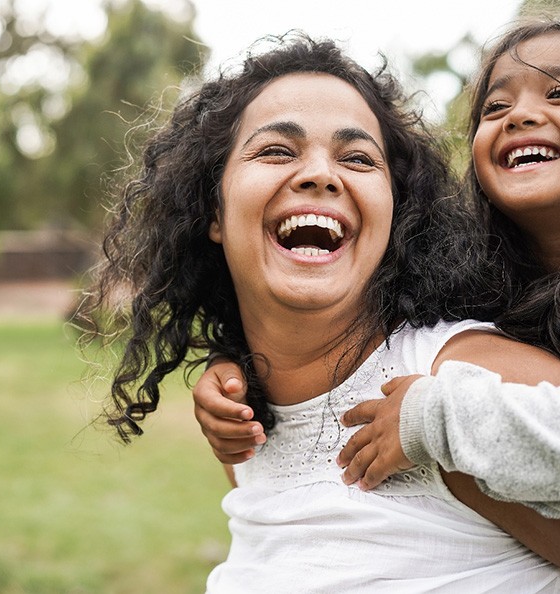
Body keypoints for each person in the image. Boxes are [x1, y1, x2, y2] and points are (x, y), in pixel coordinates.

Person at [81, 34, 560, 590]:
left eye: (357, 158)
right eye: (277, 150)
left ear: (394, 214)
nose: (319, 174)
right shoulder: (244, 420)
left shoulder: (463, 384)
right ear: (213, 208)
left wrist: (440, 419)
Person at [193, 19, 560, 521]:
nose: (521, 116)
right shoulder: (488, 288)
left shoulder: (455, 375)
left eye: (558, 93)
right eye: (495, 108)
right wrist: (236, 366)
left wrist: (433, 420)